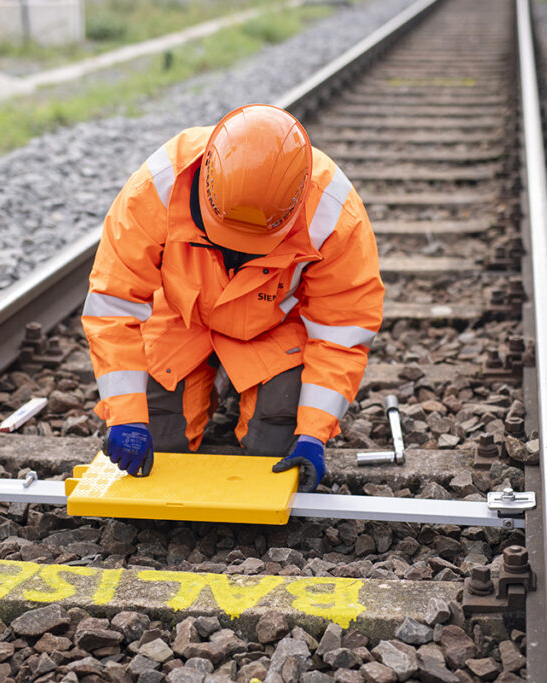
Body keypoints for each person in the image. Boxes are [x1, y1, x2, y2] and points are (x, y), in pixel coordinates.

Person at [81, 104, 383, 492]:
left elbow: (343, 330)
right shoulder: (158, 185)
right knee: (158, 440)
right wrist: (125, 416)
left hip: (270, 329)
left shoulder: (334, 212)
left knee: (274, 453)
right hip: (183, 320)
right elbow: (113, 304)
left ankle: (229, 380)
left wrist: (313, 434)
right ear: (204, 180)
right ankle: (217, 379)